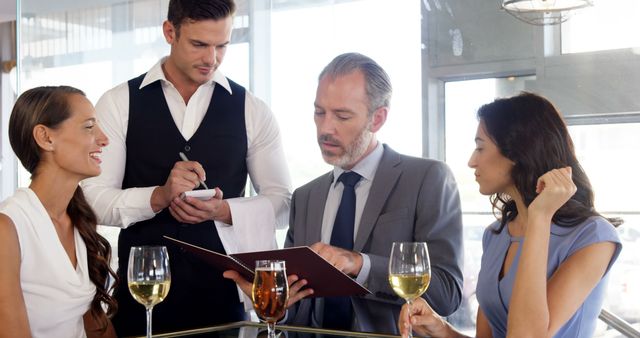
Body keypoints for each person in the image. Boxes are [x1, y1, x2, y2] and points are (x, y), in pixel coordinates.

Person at [80, 0, 291, 335]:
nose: (212, 59)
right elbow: (91, 198)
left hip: (223, 305)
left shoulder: (253, 109)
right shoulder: (118, 102)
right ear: (169, 32)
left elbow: (283, 204)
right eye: (199, 44)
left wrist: (225, 211)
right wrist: (158, 197)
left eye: (222, 46)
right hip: (141, 301)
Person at [225, 52, 464, 334]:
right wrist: (274, 301)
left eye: (342, 115)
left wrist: (360, 264)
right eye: (319, 112)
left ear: (378, 119)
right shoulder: (306, 197)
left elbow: (447, 294)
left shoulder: (427, 179)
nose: (325, 128)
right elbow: (299, 307)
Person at [398, 92, 623, 338]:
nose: (472, 161)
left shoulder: (593, 238)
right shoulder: (496, 234)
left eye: (480, 147)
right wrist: (440, 328)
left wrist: (539, 216)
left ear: (517, 152)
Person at [0, 86, 117, 337]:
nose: (104, 139)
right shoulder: (8, 228)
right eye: (89, 127)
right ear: (46, 138)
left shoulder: (77, 221)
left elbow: (95, 324)